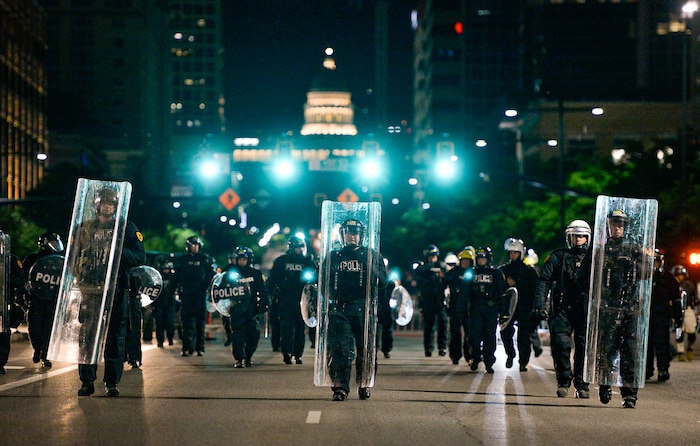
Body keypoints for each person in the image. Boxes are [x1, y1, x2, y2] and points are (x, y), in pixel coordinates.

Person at [74, 187, 146, 397]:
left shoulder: (126, 228)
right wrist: (80, 275)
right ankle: (87, 380)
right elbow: (72, 258)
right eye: (104, 203)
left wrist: (117, 249)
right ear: (96, 205)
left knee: (115, 335)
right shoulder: (84, 229)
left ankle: (112, 382)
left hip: (116, 288)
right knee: (88, 335)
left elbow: (139, 257)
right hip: (91, 289)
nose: (107, 207)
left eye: (111, 204)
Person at [326, 219, 387, 401]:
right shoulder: (333, 255)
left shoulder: (371, 255)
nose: (352, 236)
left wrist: (368, 265)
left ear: (362, 236)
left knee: (366, 349)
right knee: (341, 349)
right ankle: (340, 387)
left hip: (364, 308)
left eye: (355, 232)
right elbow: (322, 281)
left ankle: (364, 383)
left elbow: (384, 282)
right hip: (340, 309)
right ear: (343, 235)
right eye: (348, 232)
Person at [594, 210, 649, 408]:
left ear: (625, 227)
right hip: (608, 308)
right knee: (606, 350)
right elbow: (591, 277)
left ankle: (630, 394)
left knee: (630, 352)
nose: (617, 228)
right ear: (608, 225)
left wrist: (633, 265)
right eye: (614, 224)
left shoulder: (633, 249)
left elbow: (647, 271)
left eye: (621, 224)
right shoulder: (601, 250)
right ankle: (604, 383)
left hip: (629, 308)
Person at [533, 220, 592, 398]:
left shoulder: (594, 258)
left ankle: (582, 384)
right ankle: (564, 381)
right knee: (560, 345)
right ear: (569, 237)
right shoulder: (558, 256)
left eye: (582, 236)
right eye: (575, 236)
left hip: (584, 309)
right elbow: (544, 280)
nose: (579, 239)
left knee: (584, 346)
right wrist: (540, 304)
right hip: (561, 308)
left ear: (587, 238)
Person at [267, 236, 317, 365]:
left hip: (303, 299)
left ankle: (297, 354)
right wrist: (269, 296)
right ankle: (287, 352)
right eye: (297, 247)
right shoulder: (281, 261)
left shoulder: (308, 261)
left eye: (301, 247)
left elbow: (316, 281)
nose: (300, 250)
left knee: (300, 328)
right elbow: (272, 280)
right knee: (287, 327)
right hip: (286, 298)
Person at [461, 246, 507, 373]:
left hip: (491, 309)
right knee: (474, 337)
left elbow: (502, 293)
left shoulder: (496, 273)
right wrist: (462, 308)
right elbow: (464, 293)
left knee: (489, 337)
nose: (481, 260)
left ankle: (488, 362)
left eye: (484, 258)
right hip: (475, 308)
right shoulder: (471, 273)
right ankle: (476, 357)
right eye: (479, 258)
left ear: (488, 259)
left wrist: (503, 312)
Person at [22, 232, 65, 368]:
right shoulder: (33, 259)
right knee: (34, 327)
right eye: (52, 242)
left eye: (56, 242)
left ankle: (44, 354)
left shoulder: (61, 260)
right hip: (36, 299)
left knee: (49, 328)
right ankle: (37, 348)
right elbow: (23, 276)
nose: (55, 245)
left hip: (52, 300)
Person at [168, 236, 215, 357]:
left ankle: (200, 347)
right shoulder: (182, 259)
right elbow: (175, 278)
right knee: (187, 322)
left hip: (200, 295)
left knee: (200, 322)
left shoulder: (205, 259)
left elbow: (212, 277)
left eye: (197, 245)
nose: (195, 248)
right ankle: (187, 347)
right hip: (187, 294)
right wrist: (170, 293)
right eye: (192, 245)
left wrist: (211, 293)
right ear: (188, 247)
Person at [223, 247, 269, 368]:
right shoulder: (230, 274)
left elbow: (262, 290)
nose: (242, 262)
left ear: (249, 260)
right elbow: (222, 290)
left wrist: (264, 303)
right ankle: (240, 358)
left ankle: (248, 356)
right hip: (236, 309)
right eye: (240, 259)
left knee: (253, 335)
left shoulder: (256, 274)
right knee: (237, 335)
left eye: (244, 259)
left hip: (251, 309)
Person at [499, 238, 541, 372]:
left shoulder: (529, 271)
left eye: (515, 253)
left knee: (524, 337)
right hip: (508, 308)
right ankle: (510, 354)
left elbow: (535, 289)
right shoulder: (503, 270)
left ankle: (523, 362)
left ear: (520, 253)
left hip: (524, 307)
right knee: (505, 332)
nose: (512, 255)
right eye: (510, 253)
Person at [646, 251, 682, 381]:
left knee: (662, 344)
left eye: (657, 262)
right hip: (646, 316)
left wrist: (678, 319)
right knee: (646, 345)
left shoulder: (668, 278)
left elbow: (676, 299)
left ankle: (663, 369)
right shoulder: (644, 277)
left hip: (662, 315)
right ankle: (646, 369)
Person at [414, 244, 447, 357]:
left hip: (440, 300)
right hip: (428, 299)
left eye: (434, 256)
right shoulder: (423, 267)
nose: (432, 258)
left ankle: (442, 347)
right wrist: (431, 267)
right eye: (430, 256)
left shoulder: (442, 266)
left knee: (443, 323)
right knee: (429, 325)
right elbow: (418, 271)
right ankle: (428, 348)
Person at [443, 247, 475, 365]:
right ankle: (455, 356)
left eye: (468, 261)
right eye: (464, 261)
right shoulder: (452, 274)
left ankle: (469, 355)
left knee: (470, 333)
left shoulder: (475, 273)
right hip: (455, 307)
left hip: (470, 308)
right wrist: (443, 302)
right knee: (455, 333)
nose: (466, 263)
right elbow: (442, 287)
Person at [671, 264, 698, 361]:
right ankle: (680, 352)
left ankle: (690, 348)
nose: (680, 277)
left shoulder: (689, 285)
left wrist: (697, 311)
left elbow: (695, 298)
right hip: (677, 310)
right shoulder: (672, 284)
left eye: (681, 274)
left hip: (688, 309)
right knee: (679, 331)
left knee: (692, 331)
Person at [152, 257, 176, 348]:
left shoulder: (173, 278)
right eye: (165, 269)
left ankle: (170, 338)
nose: (166, 270)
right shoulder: (157, 278)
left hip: (169, 303)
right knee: (159, 323)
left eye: (167, 269)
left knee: (170, 322)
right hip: (159, 303)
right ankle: (160, 341)